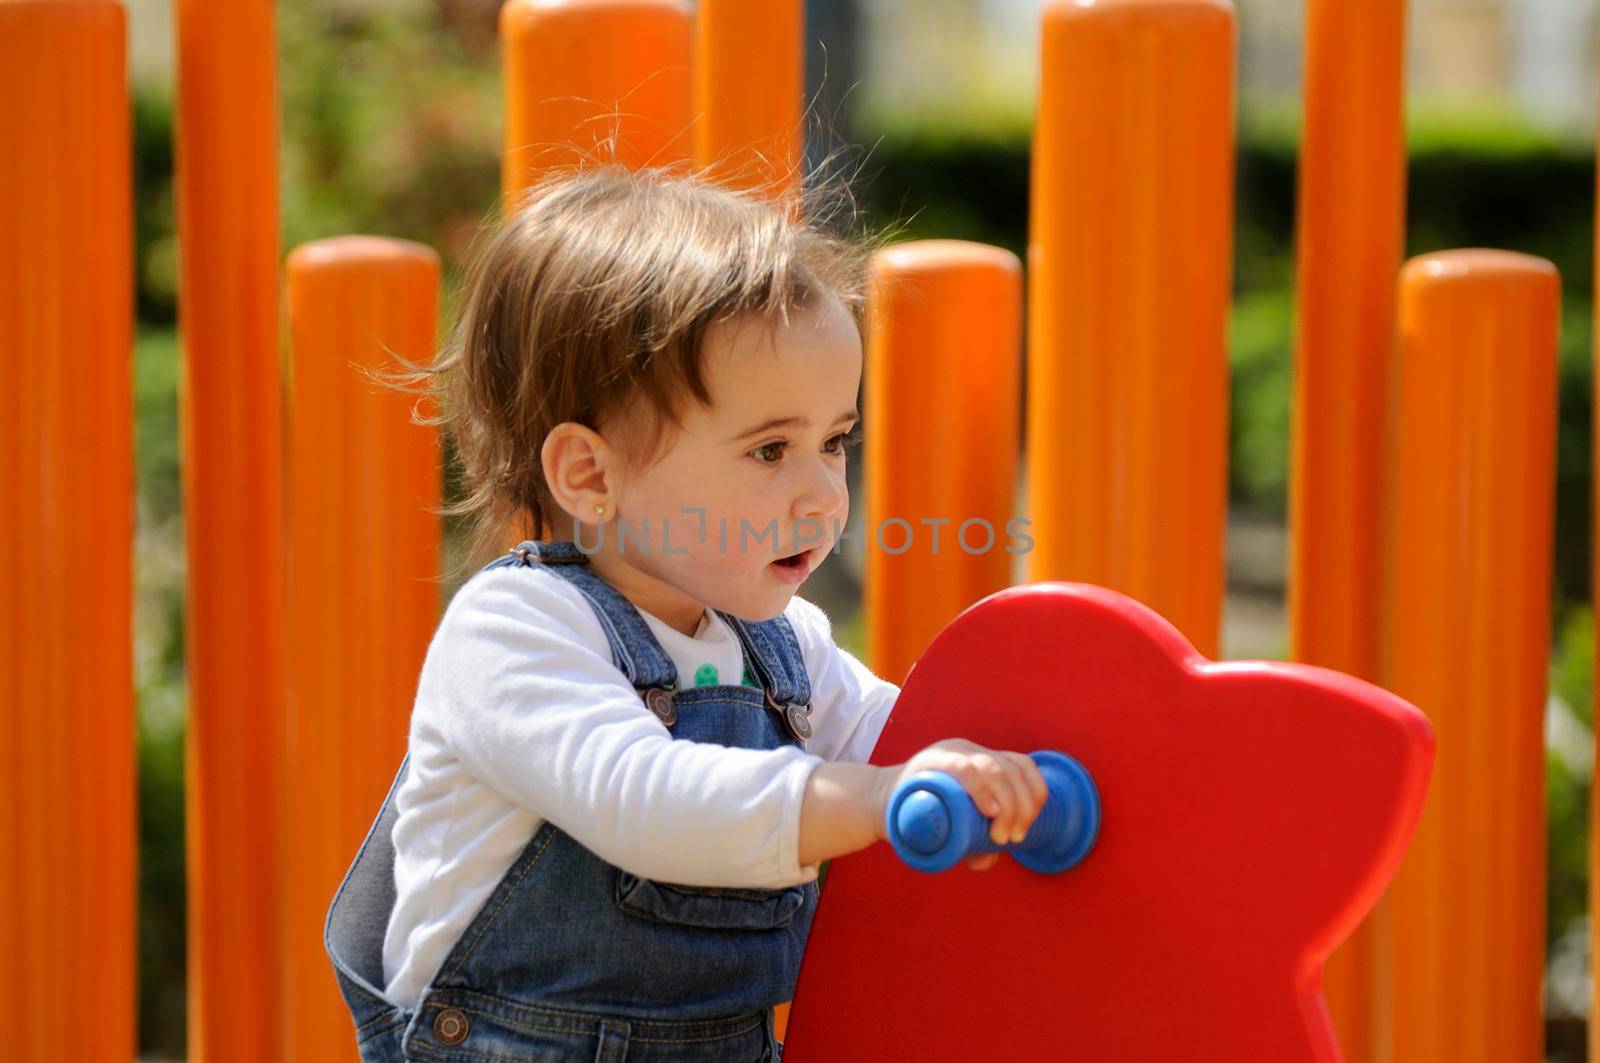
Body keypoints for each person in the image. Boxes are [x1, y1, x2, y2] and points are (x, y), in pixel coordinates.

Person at [324, 163, 1048, 1062]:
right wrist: (873, 796)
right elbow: (645, 801)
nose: (825, 494)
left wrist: (979, 771)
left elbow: (897, 733)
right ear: (591, 475)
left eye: (835, 442)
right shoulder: (515, 631)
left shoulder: (781, 645)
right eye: (770, 448)